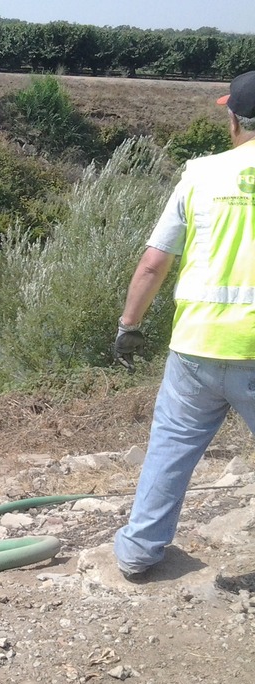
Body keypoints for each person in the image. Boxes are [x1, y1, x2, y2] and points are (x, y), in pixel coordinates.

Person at [112, 70, 255, 579]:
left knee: (170, 449)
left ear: (234, 118)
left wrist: (129, 326)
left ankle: (138, 552)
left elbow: (153, 264)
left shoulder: (200, 175)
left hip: (195, 346)